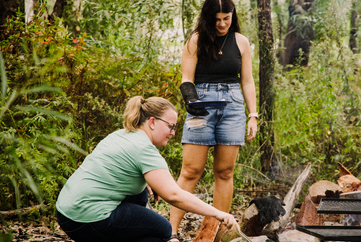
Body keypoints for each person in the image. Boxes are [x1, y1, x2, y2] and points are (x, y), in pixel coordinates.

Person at [55, 96, 239, 242]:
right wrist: (218, 213)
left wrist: (144, 183)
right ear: (152, 122)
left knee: (141, 194)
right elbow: (174, 195)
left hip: (66, 212)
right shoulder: (145, 149)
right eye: (171, 126)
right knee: (163, 230)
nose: (173, 133)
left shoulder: (122, 134)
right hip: (87, 219)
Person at [169, 0, 258, 240]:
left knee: (225, 171)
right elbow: (186, 79)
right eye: (217, 19)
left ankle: (217, 233)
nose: (222, 24)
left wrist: (253, 115)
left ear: (232, 16)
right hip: (201, 103)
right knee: (190, 171)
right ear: (209, 17)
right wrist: (192, 103)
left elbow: (247, 81)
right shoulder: (196, 39)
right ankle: (171, 232)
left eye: (226, 19)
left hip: (233, 106)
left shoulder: (241, 42)